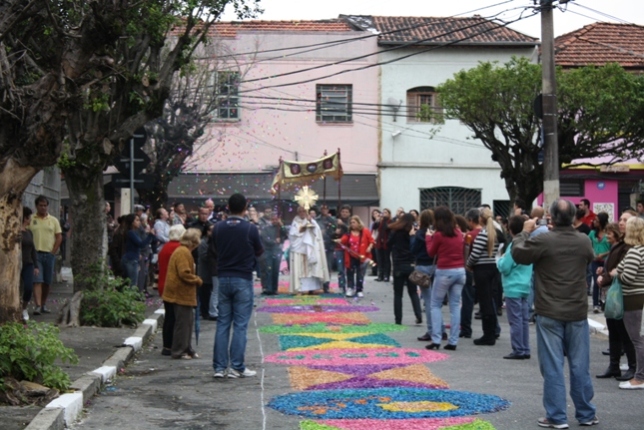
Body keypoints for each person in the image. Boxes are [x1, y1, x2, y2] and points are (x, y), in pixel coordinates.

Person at [512, 199, 598, 428]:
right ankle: (586, 413)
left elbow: (518, 254)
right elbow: (589, 257)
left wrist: (523, 232)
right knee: (580, 365)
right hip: (576, 309)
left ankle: (557, 416)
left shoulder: (544, 240)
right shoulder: (583, 240)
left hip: (549, 309)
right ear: (573, 217)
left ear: (550, 217)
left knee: (552, 365)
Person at [213, 194, 264, 378]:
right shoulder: (250, 228)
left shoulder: (218, 227)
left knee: (223, 323)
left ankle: (219, 368)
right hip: (242, 277)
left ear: (228, 207)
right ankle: (236, 366)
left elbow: (214, 248)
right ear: (245, 208)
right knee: (240, 325)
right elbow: (259, 250)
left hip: (223, 277)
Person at [596, 214, 636, 381]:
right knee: (613, 329)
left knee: (624, 331)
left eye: (625, 220)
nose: (621, 223)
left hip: (624, 293)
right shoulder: (619, 244)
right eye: (620, 220)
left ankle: (633, 367)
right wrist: (604, 272)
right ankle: (614, 366)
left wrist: (604, 278)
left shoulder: (630, 246)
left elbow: (620, 269)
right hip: (612, 291)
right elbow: (612, 267)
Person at [425, 207, 465, 350]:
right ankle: (453, 341)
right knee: (455, 306)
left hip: (444, 271)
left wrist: (428, 238)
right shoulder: (458, 232)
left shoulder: (438, 235)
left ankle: (436, 339)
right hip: (460, 271)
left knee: (435, 304)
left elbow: (431, 253)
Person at [613, 216, 644, 390]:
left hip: (633, 299)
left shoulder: (634, 252)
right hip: (641, 297)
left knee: (637, 340)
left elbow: (628, 277)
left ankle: (639, 378)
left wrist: (617, 273)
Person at [162, 228, 202, 359]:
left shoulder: (183, 251)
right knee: (182, 323)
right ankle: (179, 350)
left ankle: (187, 348)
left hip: (182, 293)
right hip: (180, 293)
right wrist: (197, 280)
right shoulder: (183, 252)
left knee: (187, 322)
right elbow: (184, 273)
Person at [467, 207, 504, 346]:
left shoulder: (483, 234)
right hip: (492, 267)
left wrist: (468, 264)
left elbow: (475, 254)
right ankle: (492, 331)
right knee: (489, 300)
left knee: (485, 302)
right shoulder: (494, 233)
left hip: (482, 270)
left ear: (480, 219)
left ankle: (487, 334)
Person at [497, 215, 532, 360]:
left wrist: (499, 261)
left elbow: (505, 267)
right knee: (523, 319)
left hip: (513, 286)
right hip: (525, 284)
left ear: (510, 229)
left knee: (515, 320)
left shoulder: (513, 246)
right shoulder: (528, 244)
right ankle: (525, 347)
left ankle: (518, 349)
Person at [29, 195, 62, 315]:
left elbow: (59, 237)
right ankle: (37, 305)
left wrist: (53, 251)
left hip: (49, 254)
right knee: (37, 280)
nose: (43, 207)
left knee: (47, 282)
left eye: (45, 205)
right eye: (41, 205)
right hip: (35, 254)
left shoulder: (53, 220)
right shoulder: (31, 219)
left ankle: (43, 304)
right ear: (36, 206)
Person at [388, 213, 423, 326]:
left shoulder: (395, 232)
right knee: (413, 292)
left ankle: (398, 319)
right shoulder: (414, 232)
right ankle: (418, 315)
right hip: (411, 264)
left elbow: (388, 244)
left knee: (398, 294)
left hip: (398, 264)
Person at [158, 224, 186, 356]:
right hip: (174, 286)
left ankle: (167, 345)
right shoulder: (179, 248)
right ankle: (174, 345)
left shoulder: (165, 247)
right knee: (176, 318)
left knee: (169, 316)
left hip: (164, 284)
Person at [288, 206, 330, 294]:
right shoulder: (295, 222)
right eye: (300, 211)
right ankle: (300, 288)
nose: (302, 213)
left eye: (304, 211)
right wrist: (302, 230)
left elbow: (317, 233)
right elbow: (292, 235)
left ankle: (312, 288)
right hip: (299, 249)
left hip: (310, 249)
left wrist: (311, 223)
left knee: (311, 268)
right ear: (298, 212)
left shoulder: (312, 220)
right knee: (299, 269)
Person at [412, 209, 437, 341]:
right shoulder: (435, 233)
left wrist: (412, 236)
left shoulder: (419, 234)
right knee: (436, 301)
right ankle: (440, 329)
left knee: (428, 300)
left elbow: (413, 250)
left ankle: (431, 330)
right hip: (435, 265)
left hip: (422, 265)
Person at [339, 215, 374, 298]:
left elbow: (372, 241)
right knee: (350, 272)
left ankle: (359, 290)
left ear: (358, 223)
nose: (352, 224)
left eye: (354, 222)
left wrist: (369, 247)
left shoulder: (365, 231)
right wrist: (338, 239)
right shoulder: (348, 233)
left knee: (360, 274)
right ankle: (350, 288)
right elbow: (343, 240)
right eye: (351, 223)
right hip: (351, 256)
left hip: (362, 256)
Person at [459, 208, 480, 339]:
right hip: (485, 269)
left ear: (471, 220)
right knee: (487, 300)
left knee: (467, 300)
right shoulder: (487, 233)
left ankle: (466, 328)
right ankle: (495, 328)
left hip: (470, 269)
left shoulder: (470, 235)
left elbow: (466, 254)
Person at [121, 213, 155, 288]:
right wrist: (150, 235)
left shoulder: (134, 232)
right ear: (132, 222)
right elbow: (141, 244)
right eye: (137, 220)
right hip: (131, 259)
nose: (139, 222)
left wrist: (138, 253)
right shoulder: (131, 233)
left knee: (131, 281)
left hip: (133, 258)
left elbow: (135, 245)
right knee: (133, 282)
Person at [258, 206, 287, 295]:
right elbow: (265, 238)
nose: (274, 221)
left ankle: (274, 288)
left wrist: (282, 225)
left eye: (276, 219)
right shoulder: (266, 228)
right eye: (273, 219)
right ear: (270, 220)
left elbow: (285, 233)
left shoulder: (279, 228)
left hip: (277, 251)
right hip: (268, 251)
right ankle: (268, 288)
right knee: (268, 270)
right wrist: (274, 241)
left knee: (275, 271)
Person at [589, 212, 610, 313]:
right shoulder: (592, 233)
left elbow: (613, 248)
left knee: (605, 282)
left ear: (602, 222)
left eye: (597, 221)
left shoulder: (609, 233)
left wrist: (603, 254)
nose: (594, 222)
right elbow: (587, 243)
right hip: (595, 261)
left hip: (606, 260)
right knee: (596, 281)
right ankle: (595, 304)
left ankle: (604, 302)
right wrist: (593, 253)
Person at [20, 207, 39, 321]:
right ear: (25, 218)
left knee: (28, 287)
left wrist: (36, 265)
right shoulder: (15, 232)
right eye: (29, 217)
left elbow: (33, 250)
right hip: (17, 264)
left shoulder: (29, 232)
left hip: (28, 263)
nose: (31, 219)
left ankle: (24, 308)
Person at [316, 204, 336, 292]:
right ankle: (317, 284)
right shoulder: (317, 220)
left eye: (326, 209)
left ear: (328, 210)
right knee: (318, 265)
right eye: (322, 209)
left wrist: (329, 231)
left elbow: (335, 230)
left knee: (328, 266)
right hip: (319, 245)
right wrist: (320, 233)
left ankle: (326, 285)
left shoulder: (332, 220)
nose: (324, 210)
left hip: (329, 245)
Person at [374, 208, 392, 282]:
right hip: (379, 243)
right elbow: (375, 227)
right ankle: (380, 275)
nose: (384, 214)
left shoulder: (390, 221)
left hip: (386, 243)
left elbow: (387, 228)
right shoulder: (380, 221)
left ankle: (386, 275)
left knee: (386, 259)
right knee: (379, 259)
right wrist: (377, 220)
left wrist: (388, 241)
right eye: (383, 212)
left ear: (389, 214)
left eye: (386, 212)